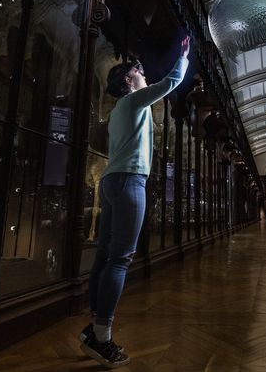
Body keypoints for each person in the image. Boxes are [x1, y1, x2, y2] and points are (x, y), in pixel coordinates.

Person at [79, 35, 190, 368]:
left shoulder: (117, 112)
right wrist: (183, 56)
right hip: (129, 181)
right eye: (140, 73)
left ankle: (94, 325)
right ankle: (102, 338)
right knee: (121, 259)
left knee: (105, 255)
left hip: (112, 180)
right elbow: (171, 82)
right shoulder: (134, 100)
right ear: (129, 80)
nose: (145, 77)